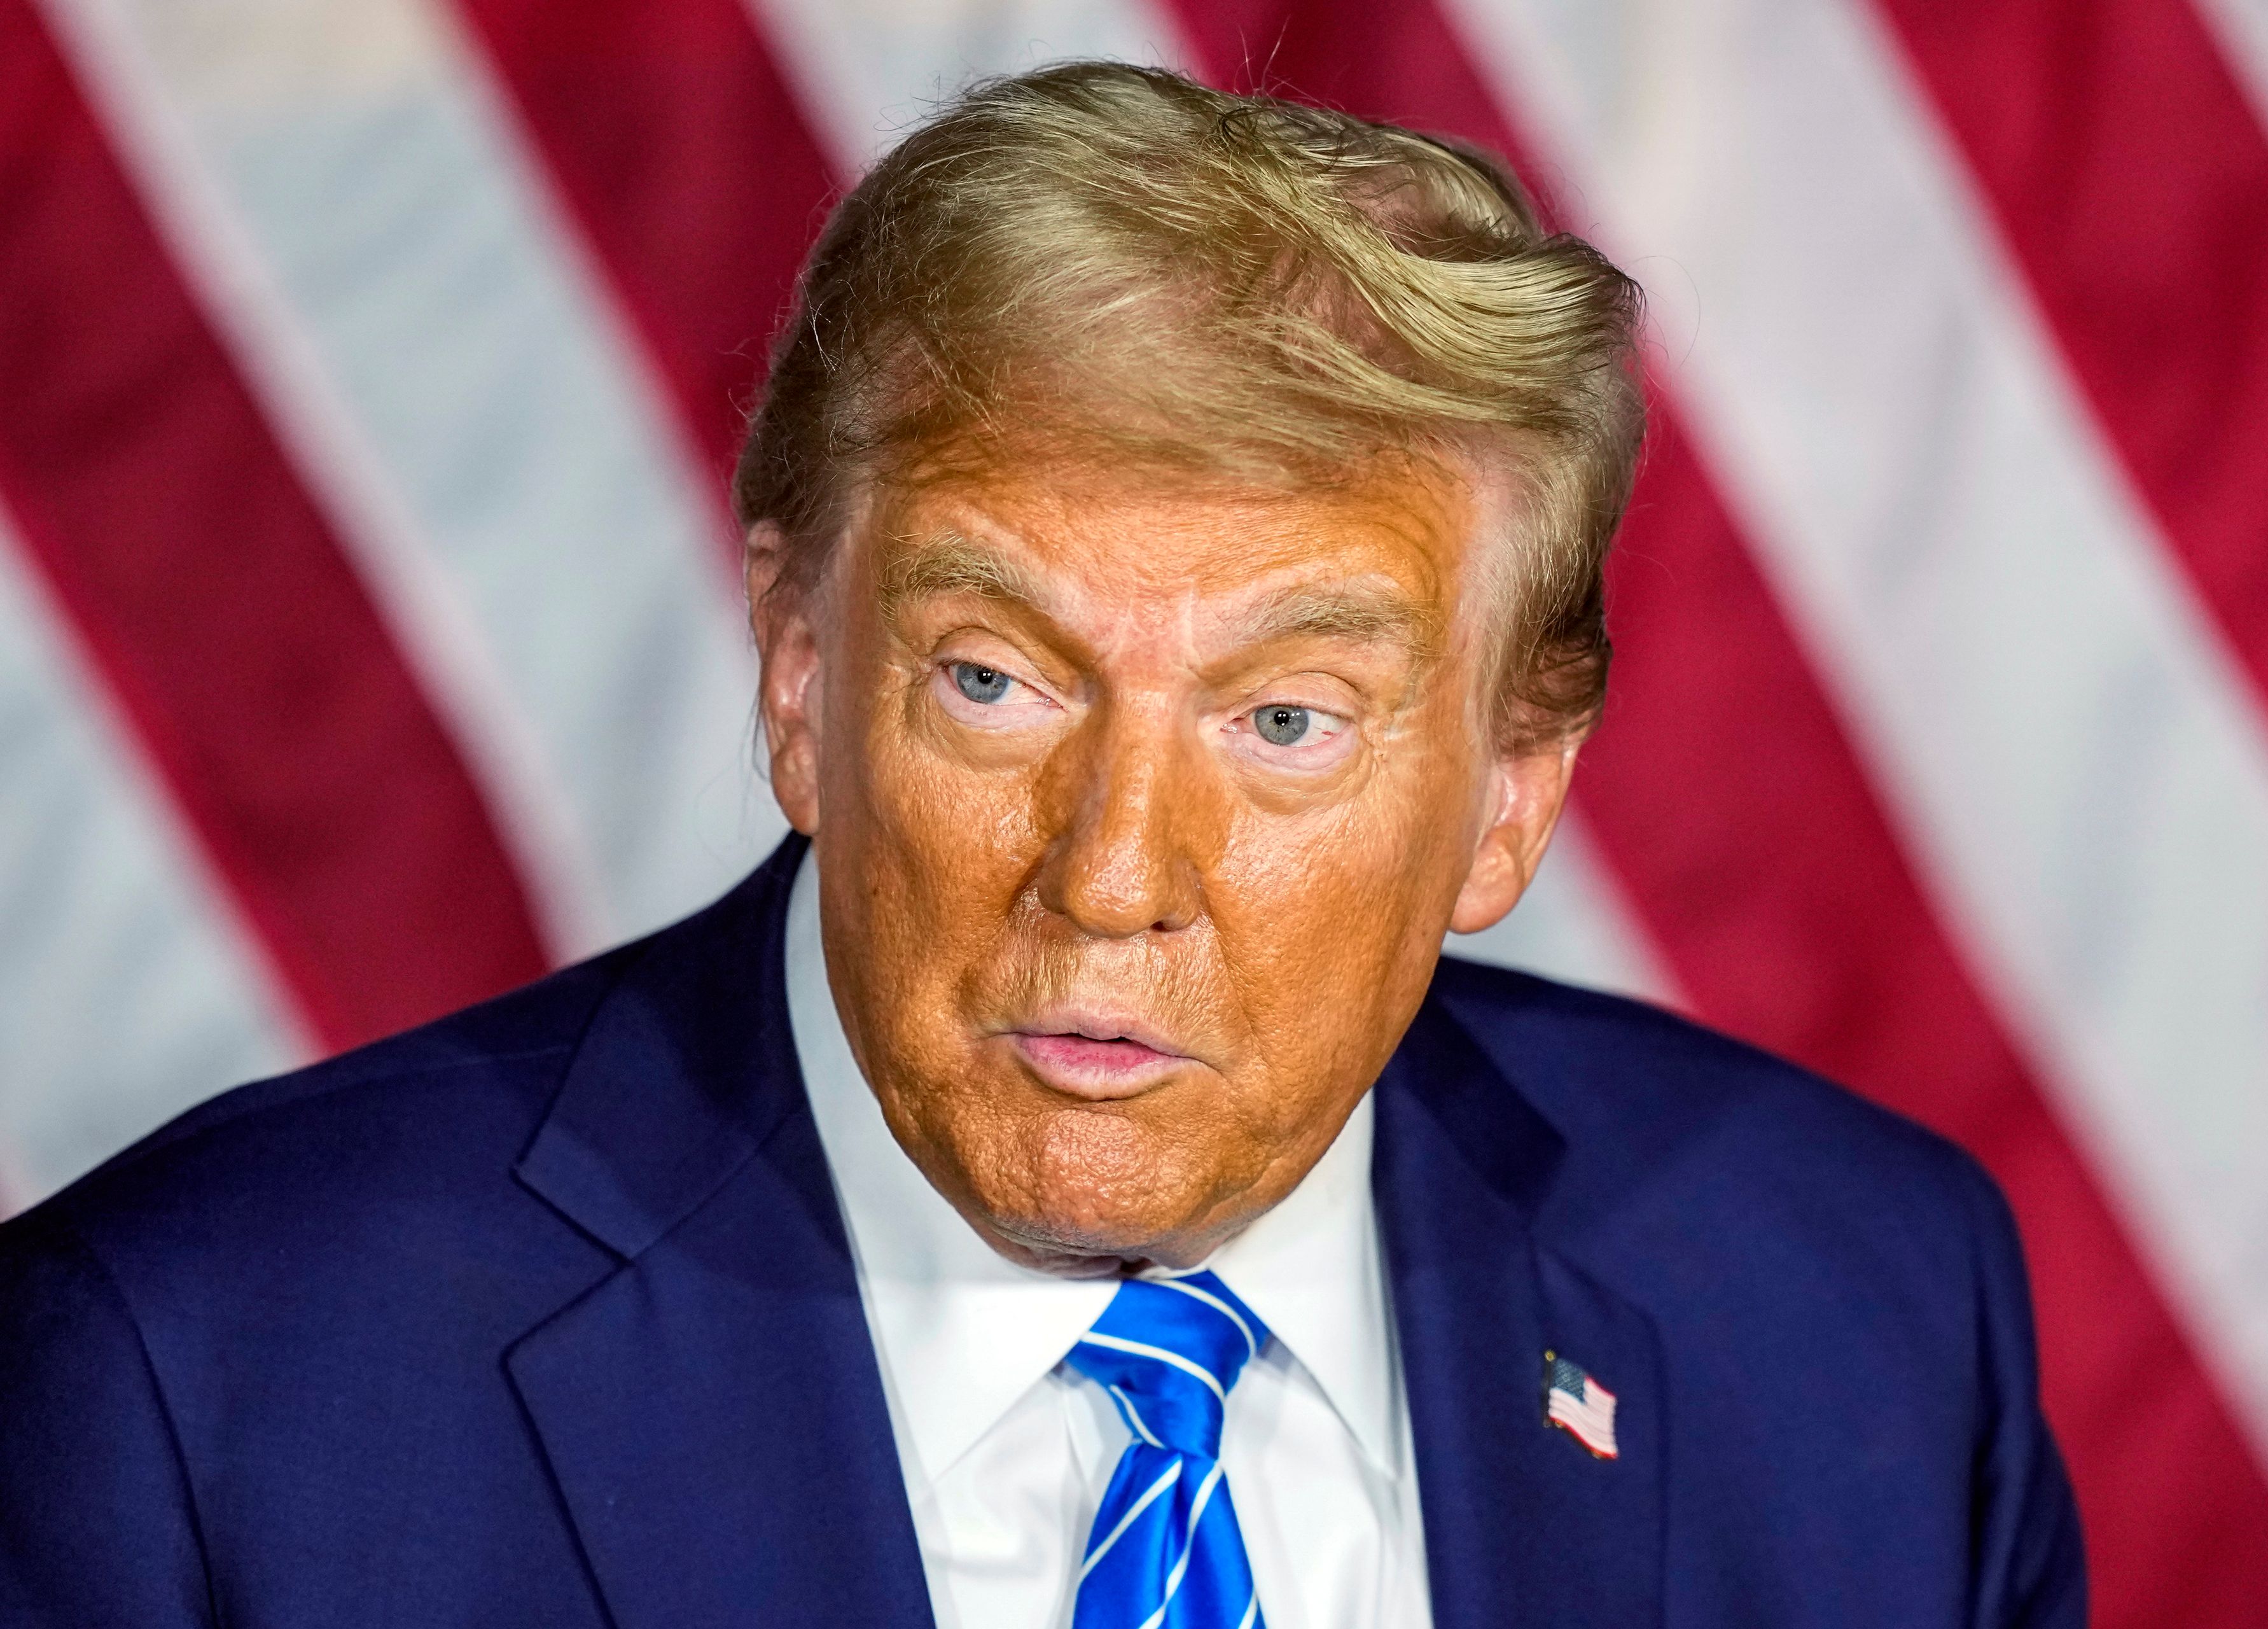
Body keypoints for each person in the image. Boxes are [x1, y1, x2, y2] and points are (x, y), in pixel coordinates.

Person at [0, 62, 2082, 1629]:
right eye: (998, 680)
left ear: (1510, 797)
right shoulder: (197, 1391)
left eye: (1284, 720)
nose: (1110, 874)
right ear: (804, 681)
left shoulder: (1858, 1321)